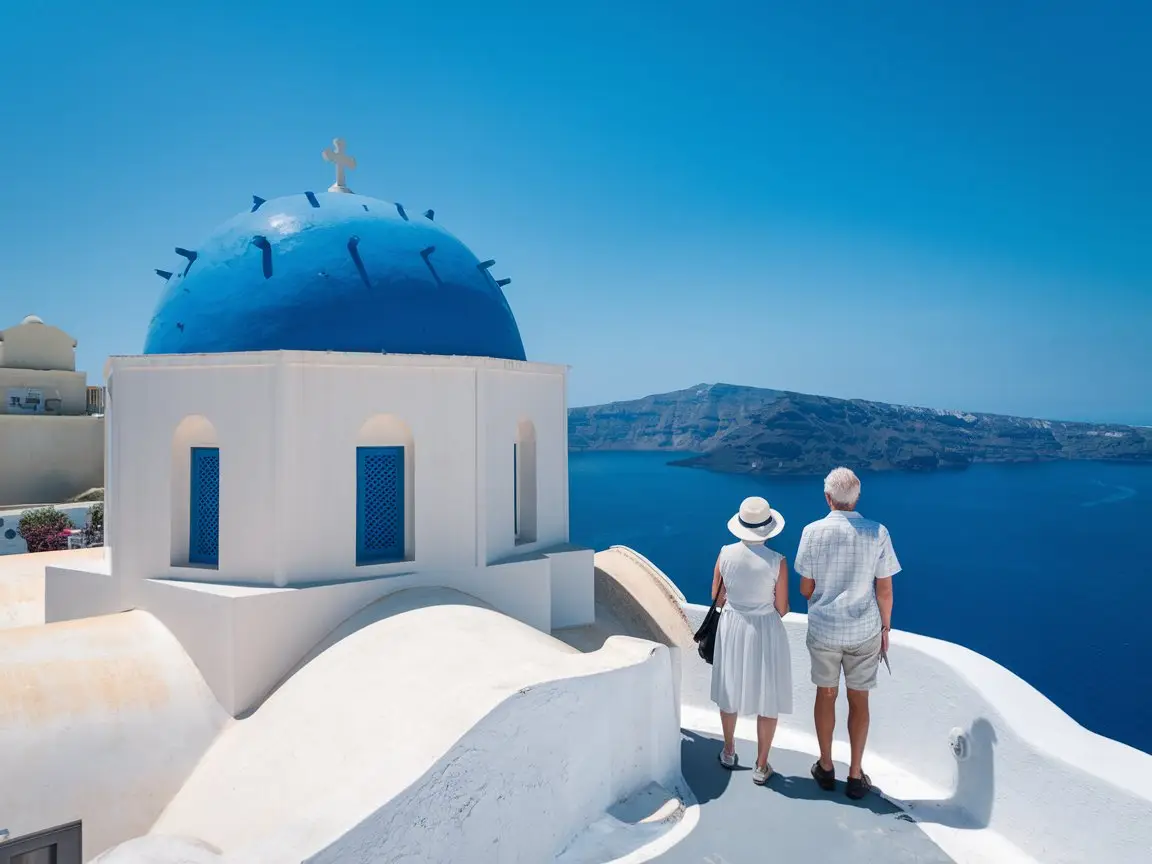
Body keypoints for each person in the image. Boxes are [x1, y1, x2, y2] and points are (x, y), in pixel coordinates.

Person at [795, 467, 899, 800]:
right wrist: (885, 627)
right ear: (857, 498)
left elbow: (806, 588)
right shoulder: (878, 532)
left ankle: (826, 767)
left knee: (826, 694)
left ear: (828, 497)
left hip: (825, 629)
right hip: (864, 630)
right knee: (859, 699)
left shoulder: (812, 532)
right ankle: (855, 775)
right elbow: (884, 589)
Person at [710, 496, 793, 785]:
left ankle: (729, 750)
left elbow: (716, 597)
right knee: (767, 696)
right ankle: (761, 765)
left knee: (730, 688)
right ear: (768, 528)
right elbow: (782, 608)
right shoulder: (776, 562)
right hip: (764, 629)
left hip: (732, 626)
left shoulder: (725, 554)